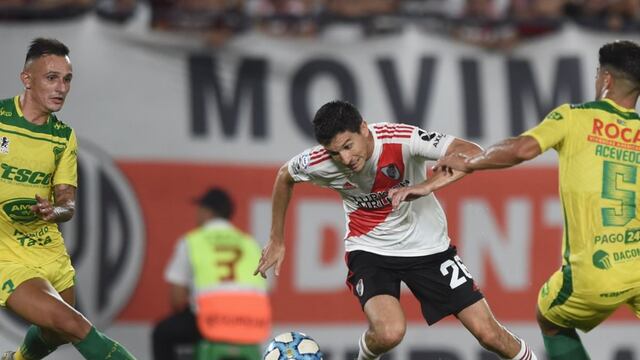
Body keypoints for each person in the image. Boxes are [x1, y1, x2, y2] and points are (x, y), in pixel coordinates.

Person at [254, 100, 538, 360]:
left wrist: (426, 186)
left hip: (431, 250)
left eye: (348, 145)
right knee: (389, 333)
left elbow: (472, 153)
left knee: (490, 335)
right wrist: (276, 239)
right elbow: (284, 176)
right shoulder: (319, 162)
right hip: (370, 250)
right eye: (335, 152)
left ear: (364, 128)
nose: (345, 158)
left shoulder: (401, 138)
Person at [434, 40, 640, 360]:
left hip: (594, 271)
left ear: (607, 81)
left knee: (550, 319)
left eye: (599, 73)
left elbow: (521, 150)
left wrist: (470, 162)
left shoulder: (574, 117)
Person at [0, 38, 136, 359]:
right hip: (6, 252)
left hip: (48, 250)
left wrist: (54, 210)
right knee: (74, 325)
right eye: (52, 77)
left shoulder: (63, 136)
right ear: (27, 79)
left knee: (56, 332)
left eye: (67, 79)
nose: (61, 87)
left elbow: (68, 204)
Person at [153, 187, 270, 360]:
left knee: (162, 334)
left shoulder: (192, 241)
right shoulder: (250, 243)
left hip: (212, 322)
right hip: (253, 324)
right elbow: (263, 288)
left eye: (199, 209)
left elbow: (177, 299)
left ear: (207, 212)